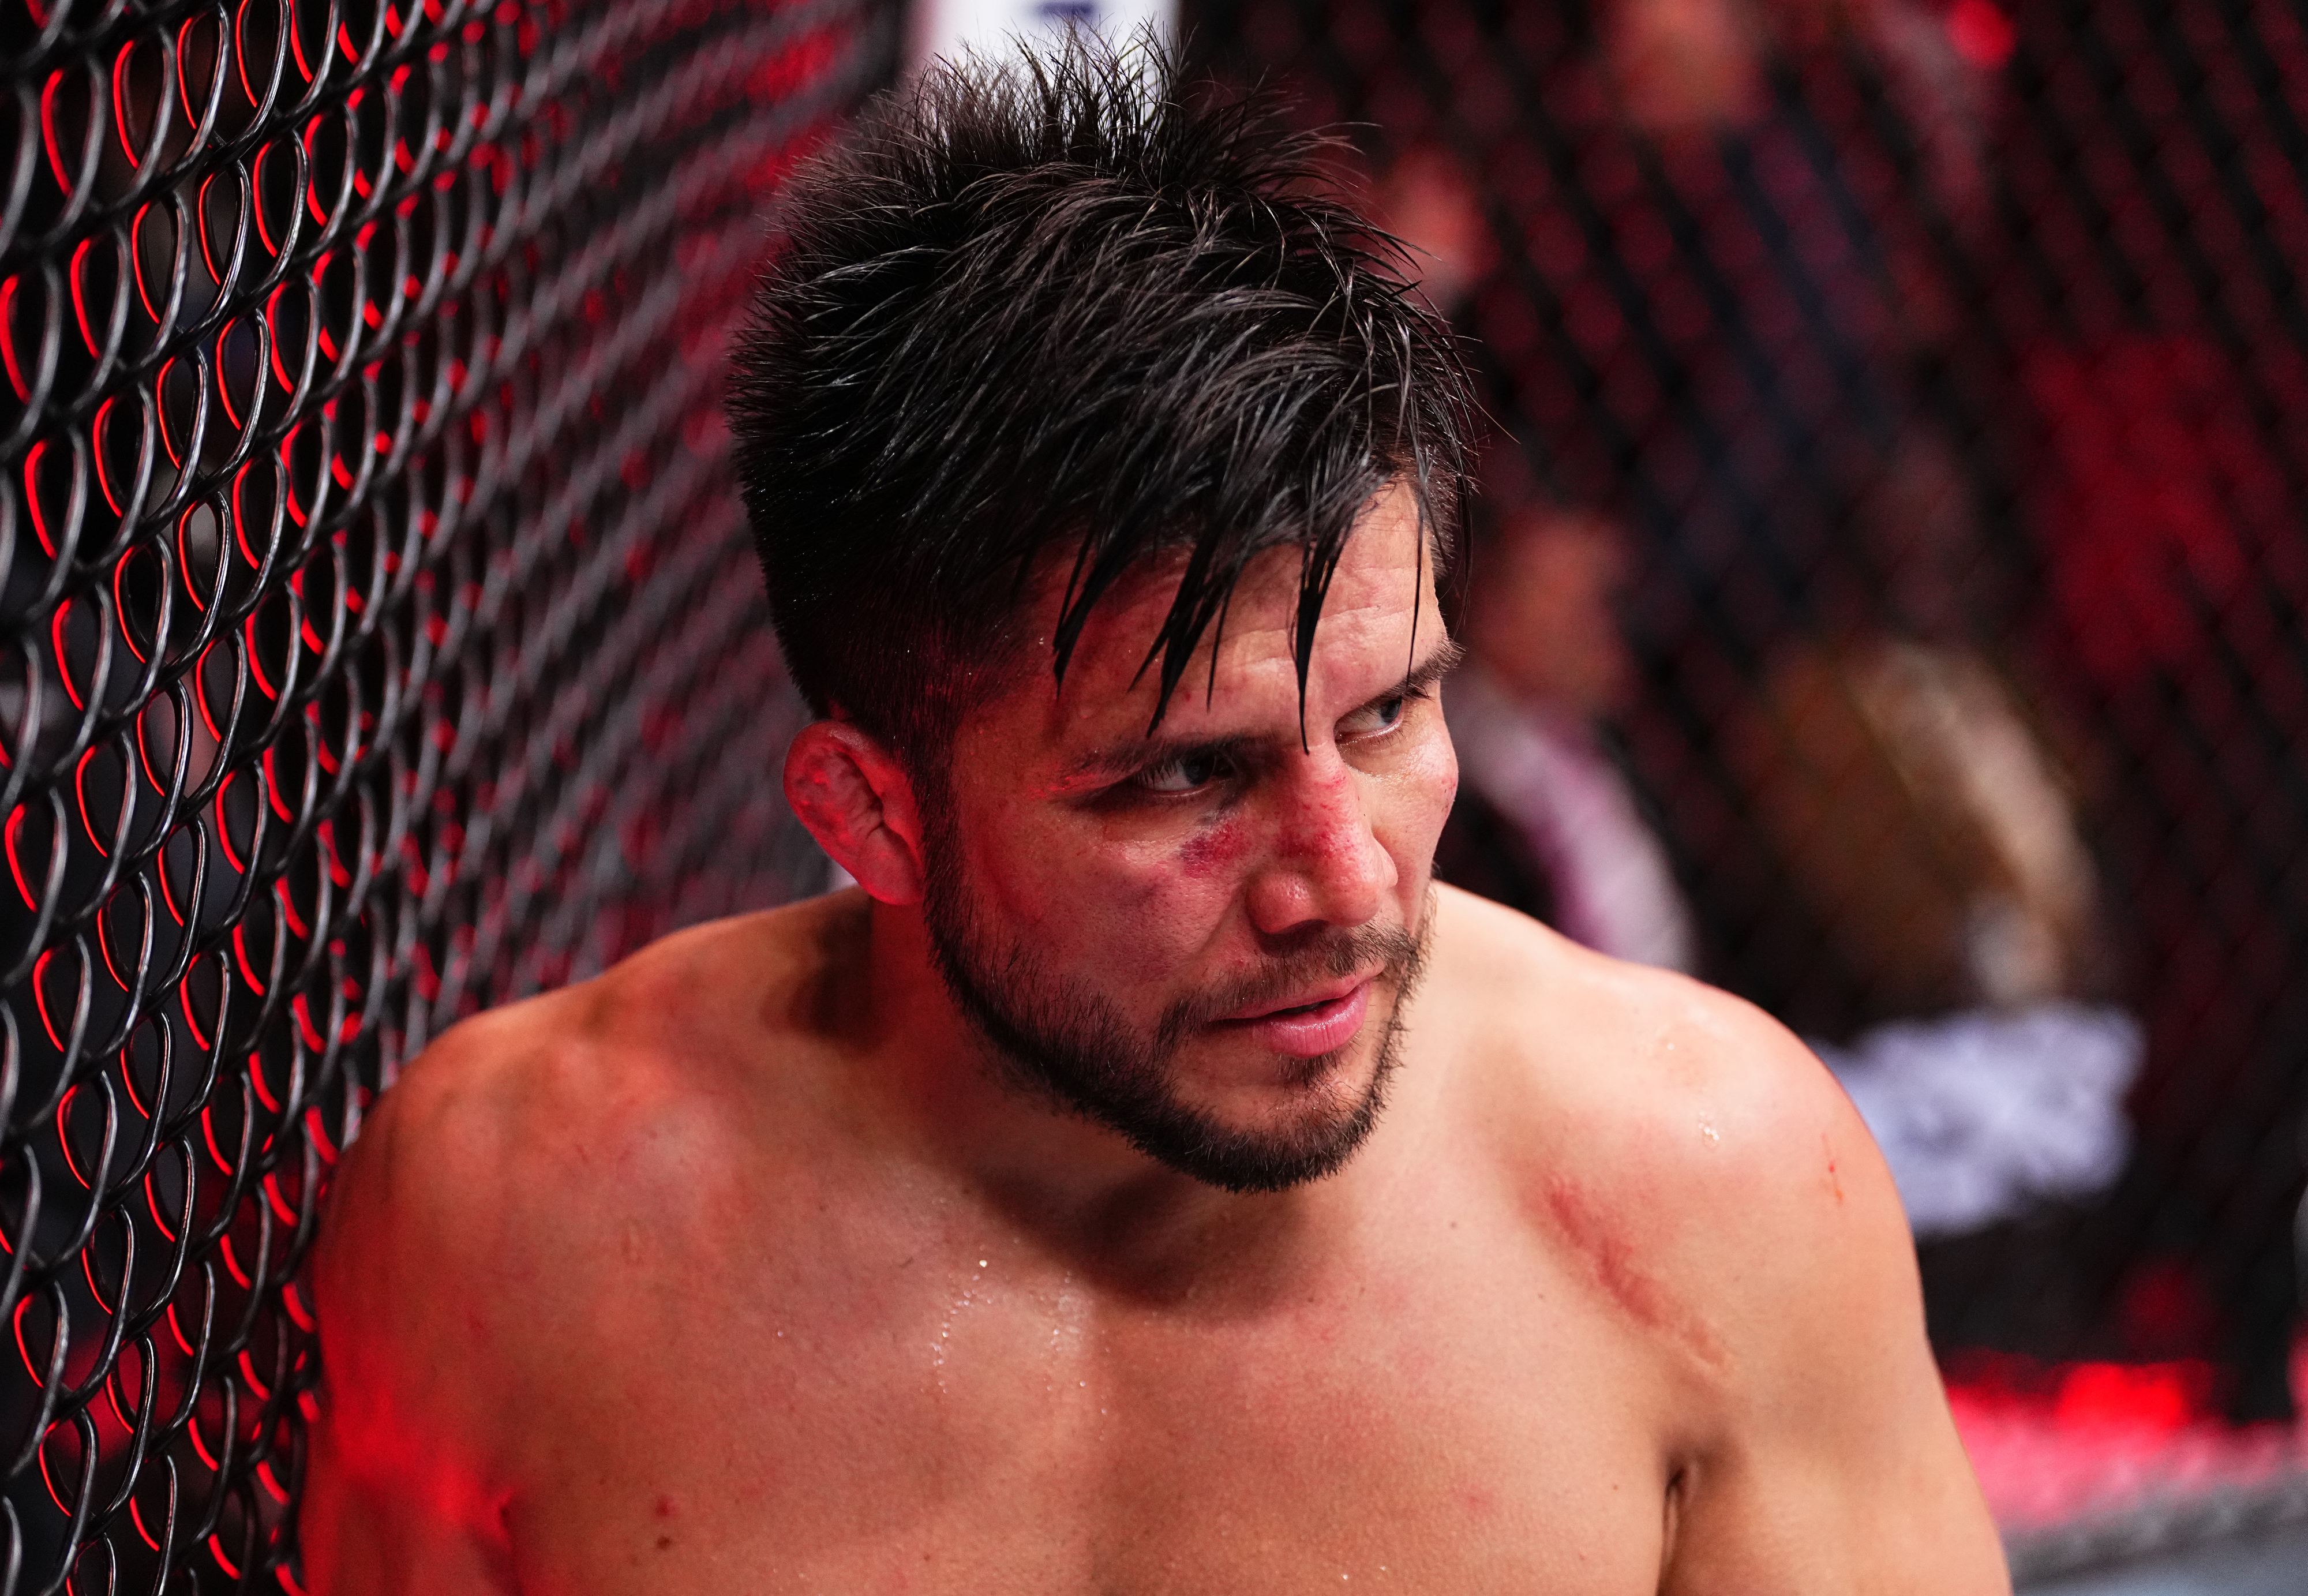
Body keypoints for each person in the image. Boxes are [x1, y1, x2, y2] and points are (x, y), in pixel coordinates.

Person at [301, 38, 2010, 1593]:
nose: (1343, 882)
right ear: (869, 812)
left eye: (1387, 711)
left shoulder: (1707, 1186)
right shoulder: (517, 1218)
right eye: (1186, 776)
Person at [1437, 500, 1698, 973]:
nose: (1608, 636)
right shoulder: (1465, 758)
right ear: (1498, 615)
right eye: (1582, 613)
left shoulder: (1589, 748)